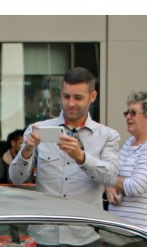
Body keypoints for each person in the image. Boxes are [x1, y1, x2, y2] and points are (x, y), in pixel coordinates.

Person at [8, 67, 121, 207]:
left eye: (78, 98)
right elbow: (16, 179)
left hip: (83, 226)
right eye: (66, 96)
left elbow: (110, 178)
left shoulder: (107, 135)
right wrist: (26, 151)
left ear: (92, 97)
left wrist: (82, 158)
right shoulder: (37, 130)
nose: (71, 103)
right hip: (45, 225)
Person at [105, 91, 147, 237]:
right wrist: (109, 186)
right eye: (127, 112)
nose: (128, 117)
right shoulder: (129, 143)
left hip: (140, 234)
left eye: (133, 113)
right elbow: (114, 172)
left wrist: (108, 179)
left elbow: (136, 186)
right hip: (118, 230)